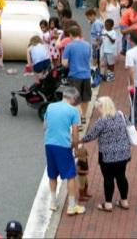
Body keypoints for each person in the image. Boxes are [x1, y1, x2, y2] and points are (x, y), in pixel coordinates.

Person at [81, 96, 131, 212]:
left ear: (103, 107)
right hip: (123, 153)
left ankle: (108, 204)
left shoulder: (102, 121)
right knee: (121, 176)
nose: (97, 110)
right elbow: (129, 127)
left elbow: (91, 136)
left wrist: (80, 140)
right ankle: (124, 201)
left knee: (108, 178)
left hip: (107, 155)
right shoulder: (122, 116)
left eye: (98, 107)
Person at [44, 87, 85, 216]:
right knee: (70, 175)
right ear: (72, 98)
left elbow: (45, 126)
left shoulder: (50, 107)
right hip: (63, 145)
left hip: (49, 144)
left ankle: (53, 202)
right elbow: (75, 133)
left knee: (52, 174)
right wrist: (76, 147)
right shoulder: (73, 111)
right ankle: (72, 206)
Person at [62, 26, 92, 124]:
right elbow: (89, 58)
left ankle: (78, 119)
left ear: (71, 35)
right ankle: (83, 116)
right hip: (86, 75)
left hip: (75, 75)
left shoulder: (69, 46)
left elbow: (64, 63)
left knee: (75, 98)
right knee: (86, 98)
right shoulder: (87, 45)